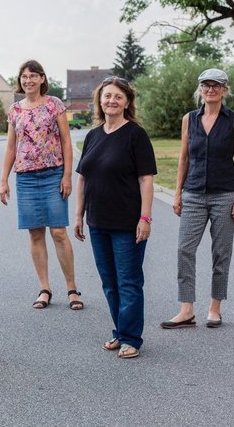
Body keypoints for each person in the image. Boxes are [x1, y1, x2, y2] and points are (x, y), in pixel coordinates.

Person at [74, 77, 156, 359]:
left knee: (129, 281)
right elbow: (83, 178)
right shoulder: (93, 136)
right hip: (98, 222)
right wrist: (78, 215)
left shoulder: (135, 135)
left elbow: (146, 180)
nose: (112, 101)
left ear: (127, 102)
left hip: (127, 223)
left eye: (118, 97)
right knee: (109, 282)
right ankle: (121, 331)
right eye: (107, 96)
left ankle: (131, 337)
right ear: (99, 100)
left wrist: (145, 218)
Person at [160, 68, 234, 330]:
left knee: (221, 252)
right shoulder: (190, 119)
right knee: (184, 249)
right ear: (200, 89)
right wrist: (178, 192)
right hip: (194, 193)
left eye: (216, 85)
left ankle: (214, 308)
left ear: (224, 90)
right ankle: (186, 309)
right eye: (206, 85)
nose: (210, 89)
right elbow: (184, 157)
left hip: (225, 194)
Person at [0, 59, 83, 310]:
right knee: (35, 233)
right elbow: (11, 146)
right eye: (24, 76)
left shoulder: (54, 104)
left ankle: (72, 289)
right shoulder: (15, 110)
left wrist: (67, 175)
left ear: (42, 79)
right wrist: (4, 180)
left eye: (33, 76)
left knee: (58, 232)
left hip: (53, 174)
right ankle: (44, 288)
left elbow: (67, 141)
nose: (28, 80)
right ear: (20, 80)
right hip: (25, 177)